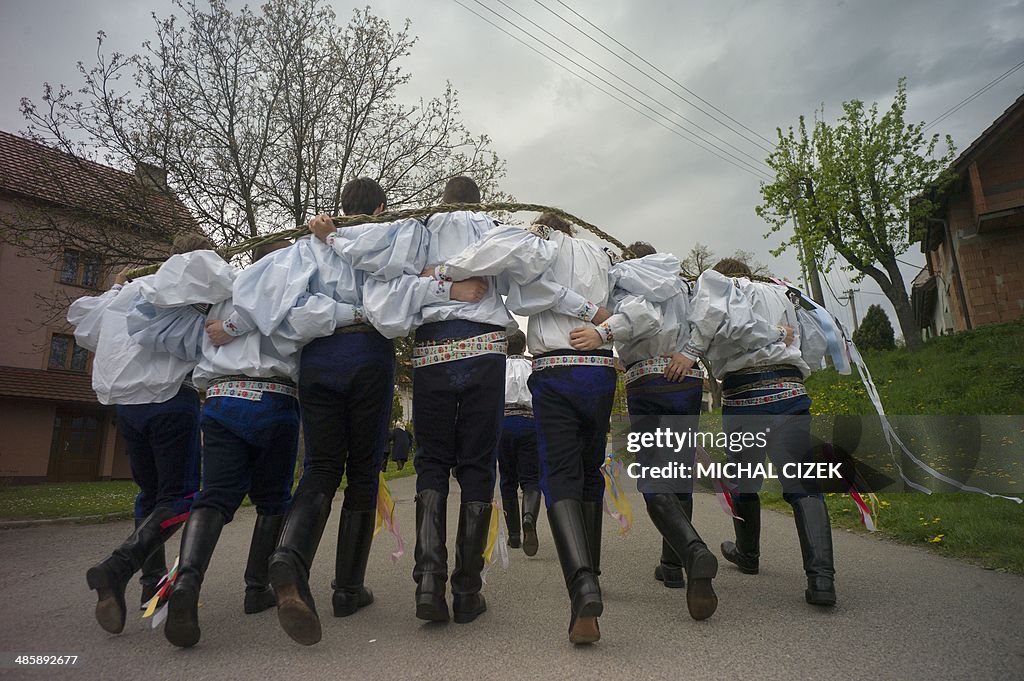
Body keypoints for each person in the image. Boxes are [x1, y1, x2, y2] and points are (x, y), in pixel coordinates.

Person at [312, 177, 600, 626]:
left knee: (431, 461)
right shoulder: (493, 227)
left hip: (433, 349)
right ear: (479, 201)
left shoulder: (416, 226)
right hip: (485, 349)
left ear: (443, 199)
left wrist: (332, 235)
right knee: (477, 464)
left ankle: (428, 580)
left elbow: (373, 254)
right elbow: (532, 271)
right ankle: (466, 589)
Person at [429, 211, 652, 645]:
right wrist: (606, 329)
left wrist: (443, 273)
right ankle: (594, 575)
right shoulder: (603, 255)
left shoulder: (536, 246)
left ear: (545, 227)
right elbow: (646, 314)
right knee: (590, 475)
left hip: (556, 369)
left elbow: (506, 278)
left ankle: (583, 584)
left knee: (559, 477)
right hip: (601, 372)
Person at [130, 239, 343, 647]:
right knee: (274, 500)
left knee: (213, 499)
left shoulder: (222, 297)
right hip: (274, 399)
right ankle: (256, 586)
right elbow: (313, 327)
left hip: (223, 398)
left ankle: (188, 581)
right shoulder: (289, 293)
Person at [69, 234, 208, 636]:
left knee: (149, 495)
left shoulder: (130, 291)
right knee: (181, 499)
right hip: (169, 397)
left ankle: (151, 585)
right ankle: (119, 567)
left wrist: (115, 287)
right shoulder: (187, 284)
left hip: (127, 405)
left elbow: (86, 328)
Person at [688, 258, 836, 606]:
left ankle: (748, 554)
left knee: (743, 478)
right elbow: (812, 340)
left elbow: (717, 332)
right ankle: (822, 579)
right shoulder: (782, 293)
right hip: (790, 388)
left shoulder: (722, 293)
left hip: (744, 395)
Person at [603, 240, 719, 620]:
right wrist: (691, 352)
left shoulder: (623, 279)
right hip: (684, 378)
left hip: (646, 380)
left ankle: (692, 551)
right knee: (679, 474)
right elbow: (709, 315)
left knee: (654, 480)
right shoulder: (682, 284)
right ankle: (672, 567)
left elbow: (628, 321)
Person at [498, 329, 541, 556]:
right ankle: (529, 517)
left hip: (503, 424)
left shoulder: (497, 368)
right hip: (529, 424)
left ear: (505, 346)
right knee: (531, 479)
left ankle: (513, 536)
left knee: (507, 480)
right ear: (524, 347)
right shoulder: (533, 367)